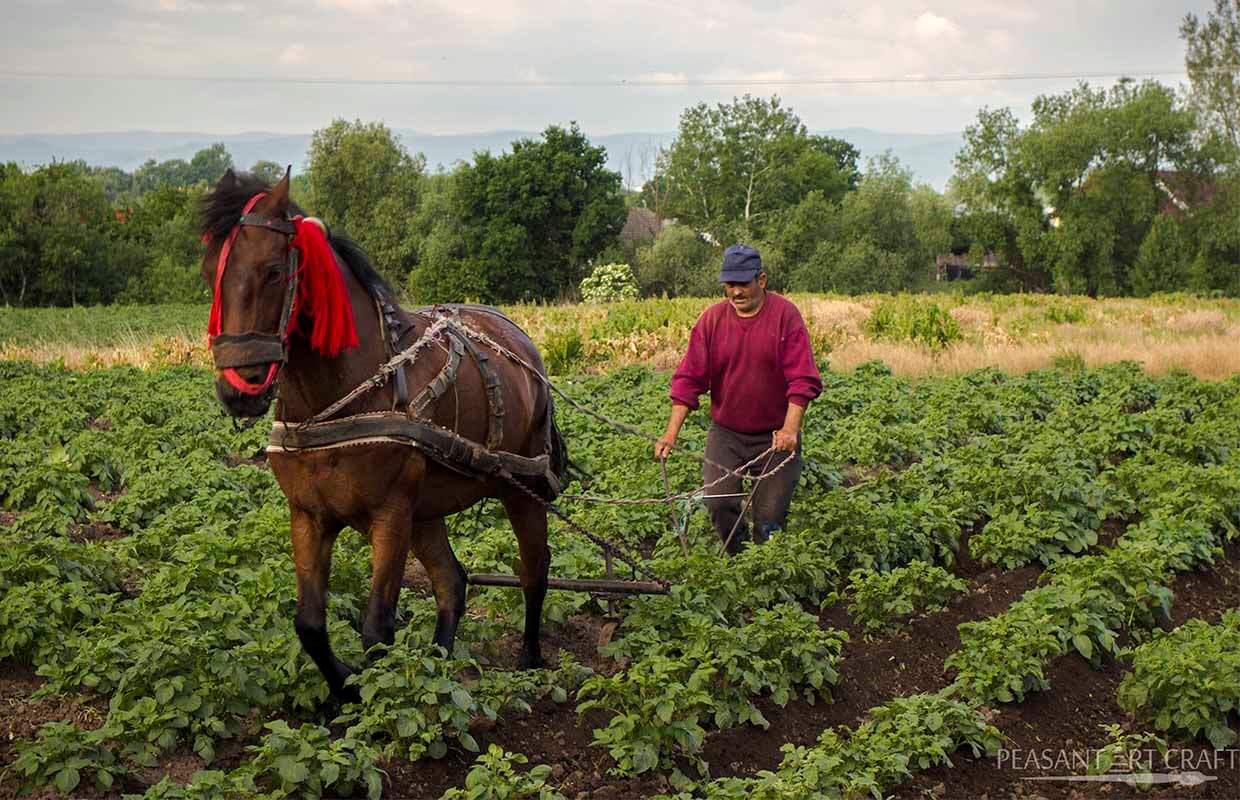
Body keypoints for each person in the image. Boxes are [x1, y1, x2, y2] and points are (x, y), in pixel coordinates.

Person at [655, 244, 822, 554]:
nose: (735, 291)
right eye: (730, 285)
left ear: (761, 280)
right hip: (727, 433)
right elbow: (689, 378)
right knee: (718, 501)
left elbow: (802, 378)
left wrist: (789, 430)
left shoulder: (785, 316)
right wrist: (671, 433)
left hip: (774, 436)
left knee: (769, 514)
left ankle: (766, 567)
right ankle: (738, 560)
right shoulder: (711, 321)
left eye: (743, 283)